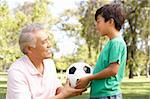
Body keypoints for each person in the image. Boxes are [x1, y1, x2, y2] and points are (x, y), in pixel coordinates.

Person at [6, 23, 85, 99]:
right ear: (29, 49)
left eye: (48, 40)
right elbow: (61, 95)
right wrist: (63, 95)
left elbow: (57, 89)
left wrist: (69, 90)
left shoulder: (49, 63)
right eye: (44, 42)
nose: (49, 45)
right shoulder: (17, 71)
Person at [76, 4, 127, 99]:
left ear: (111, 21)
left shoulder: (116, 43)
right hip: (101, 94)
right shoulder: (111, 43)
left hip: (107, 94)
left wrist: (89, 78)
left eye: (98, 22)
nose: (96, 26)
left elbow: (113, 70)